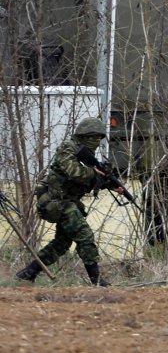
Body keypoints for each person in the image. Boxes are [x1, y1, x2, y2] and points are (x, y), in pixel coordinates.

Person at [15, 117, 118, 285]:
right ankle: (97, 281)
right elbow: (74, 172)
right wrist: (95, 172)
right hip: (55, 202)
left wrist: (108, 183)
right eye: (95, 137)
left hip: (66, 203)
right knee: (84, 235)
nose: (97, 142)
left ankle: (28, 273)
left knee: (62, 244)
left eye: (100, 138)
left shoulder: (85, 154)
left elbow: (85, 182)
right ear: (85, 136)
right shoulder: (68, 148)